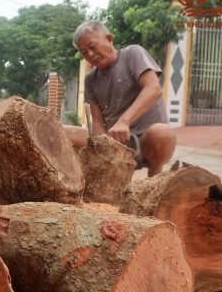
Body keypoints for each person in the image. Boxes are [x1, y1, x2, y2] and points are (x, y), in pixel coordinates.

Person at [65, 20, 175, 177]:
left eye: (92, 46)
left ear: (109, 39)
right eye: (84, 52)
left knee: (162, 133)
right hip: (115, 143)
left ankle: (154, 180)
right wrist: (103, 145)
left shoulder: (133, 54)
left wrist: (125, 121)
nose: (90, 54)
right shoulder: (90, 79)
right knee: (61, 132)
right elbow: (97, 120)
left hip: (146, 142)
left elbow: (153, 88)